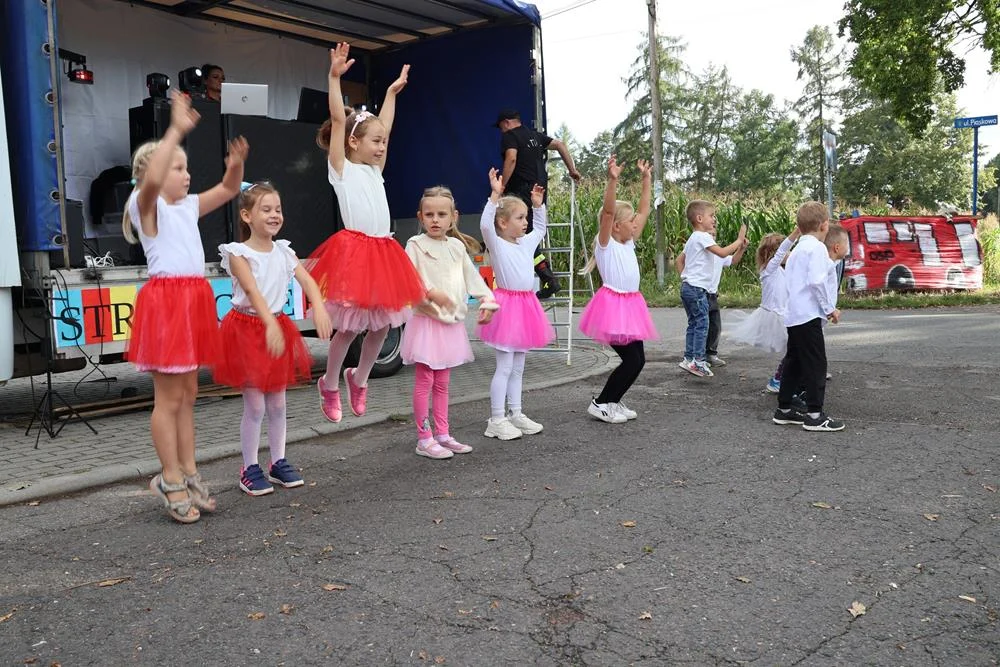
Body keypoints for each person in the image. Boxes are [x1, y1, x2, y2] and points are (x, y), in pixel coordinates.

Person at [308, 43, 452, 424]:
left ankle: (360, 378)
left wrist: (390, 94)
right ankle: (330, 382)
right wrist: (334, 78)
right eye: (374, 142)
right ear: (354, 142)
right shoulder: (342, 168)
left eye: (383, 143)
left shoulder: (374, 170)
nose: (381, 146)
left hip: (383, 250)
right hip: (355, 252)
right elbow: (340, 120)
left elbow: (385, 127)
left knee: (385, 324)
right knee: (349, 328)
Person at [122, 90, 246, 523]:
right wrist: (174, 129)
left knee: (189, 395)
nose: (187, 175)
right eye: (178, 167)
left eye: (187, 167)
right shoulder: (146, 205)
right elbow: (153, 180)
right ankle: (169, 477)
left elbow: (229, 189)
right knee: (169, 398)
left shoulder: (187, 207)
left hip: (192, 300)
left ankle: (189, 471)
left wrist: (236, 167)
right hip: (168, 304)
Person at [215, 182, 333, 496]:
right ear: (246, 215)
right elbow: (252, 291)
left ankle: (278, 461)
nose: (274, 215)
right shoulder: (237, 253)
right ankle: (249, 467)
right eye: (265, 209)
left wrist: (319, 306)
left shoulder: (284, 250)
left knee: (278, 403)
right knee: (255, 405)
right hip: (248, 329)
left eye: (277, 209)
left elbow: (307, 279)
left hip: (277, 328)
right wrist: (268, 323)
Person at [402, 186, 499, 459]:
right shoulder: (415, 245)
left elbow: (472, 277)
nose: (435, 219)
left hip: (451, 325)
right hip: (427, 322)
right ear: (420, 217)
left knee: (443, 382)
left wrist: (486, 301)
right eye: (429, 214)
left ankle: (443, 433)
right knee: (425, 380)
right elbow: (409, 279)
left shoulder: (456, 247)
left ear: (453, 217)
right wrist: (432, 295)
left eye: (441, 214)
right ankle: (424, 437)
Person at [477, 168, 556, 440]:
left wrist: (538, 206)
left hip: (526, 307)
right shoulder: (497, 244)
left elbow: (541, 229)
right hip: (507, 307)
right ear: (503, 223)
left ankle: (516, 413)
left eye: (526, 217)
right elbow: (485, 226)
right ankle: (496, 419)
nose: (525, 222)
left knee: (519, 366)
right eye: (520, 218)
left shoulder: (526, 242)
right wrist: (494, 196)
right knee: (505, 367)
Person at [578, 156, 658, 424]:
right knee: (632, 361)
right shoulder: (606, 244)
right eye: (630, 221)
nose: (636, 224)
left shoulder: (628, 244)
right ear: (615, 227)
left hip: (631, 306)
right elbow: (609, 212)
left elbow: (645, 210)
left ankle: (612, 400)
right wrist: (612, 180)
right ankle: (601, 403)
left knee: (639, 360)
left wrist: (646, 180)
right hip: (612, 307)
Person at [773, 203, 846, 432]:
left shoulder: (796, 251)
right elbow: (817, 281)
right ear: (824, 225)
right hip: (808, 316)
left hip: (794, 315)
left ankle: (784, 409)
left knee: (794, 362)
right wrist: (829, 308)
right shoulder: (815, 249)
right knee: (816, 364)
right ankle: (815, 414)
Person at [495, 108, 581, 299]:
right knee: (530, 235)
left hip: (520, 192)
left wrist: (502, 185)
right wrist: (572, 170)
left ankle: (547, 278)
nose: (501, 131)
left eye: (501, 127)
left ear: (507, 123)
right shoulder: (535, 136)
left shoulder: (510, 136)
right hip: (539, 192)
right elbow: (560, 145)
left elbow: (511, 158)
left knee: (519, 237)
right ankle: (546, 277)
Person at [678, 200, 746, 378]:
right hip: (698, 289)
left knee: (694, 324)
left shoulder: (696, 238)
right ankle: (699, 361)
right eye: (711, 215)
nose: (714, 219)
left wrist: (741, 248)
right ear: (699, 218)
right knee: (702, 324)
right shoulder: (701, 236)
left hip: (690, 288)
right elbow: (723, 252)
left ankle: (689, 357)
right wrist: (738, 240)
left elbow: (730, 259)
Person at [728, 228, 801, 392]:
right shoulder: (769, 270)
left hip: (783, 315)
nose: (789, 253)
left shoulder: (782, 270)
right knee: (795, 348)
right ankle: (778, 379)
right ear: (776, 254)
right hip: (775, 317)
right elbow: (782, 251)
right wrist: (796, 233)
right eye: (787, 250)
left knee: (795, 348)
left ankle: (787, 377)